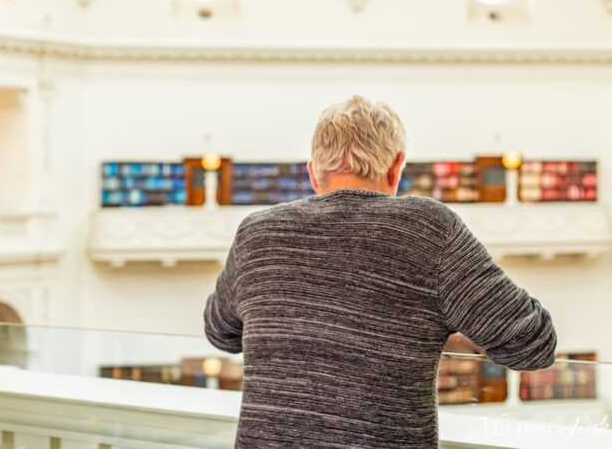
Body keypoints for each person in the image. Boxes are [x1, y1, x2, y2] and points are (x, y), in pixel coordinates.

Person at [204, 95, 556, 448]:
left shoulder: (257, 233)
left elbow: (220, 331)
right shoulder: (428, 230)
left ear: (313, 172)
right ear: (396, 168)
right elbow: (532, 344)